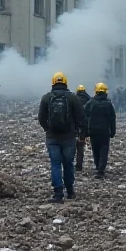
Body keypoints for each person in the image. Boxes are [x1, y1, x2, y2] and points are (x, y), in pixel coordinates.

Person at [37, 72, 84, 203]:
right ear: (65, 82)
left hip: (52, 137)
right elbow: (81, 117)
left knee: (55, 164)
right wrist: (80, 133)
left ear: (53, 82)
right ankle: (70, 191)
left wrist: (47, 129)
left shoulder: (46, 98)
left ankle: (58, 193)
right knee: (68, 164)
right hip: (69, 137)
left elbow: (41, 118)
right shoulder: (73, 98)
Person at [84, 83, 116, 179]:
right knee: (104, 150)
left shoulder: (90, 103)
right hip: (105, 131)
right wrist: (113, 131)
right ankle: (101, 170)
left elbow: (85, 117)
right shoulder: (109, 104)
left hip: (93, 131)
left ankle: (97, 165)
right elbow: (112, 118)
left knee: (95, 150)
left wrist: (85, 132)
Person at [75, 85, 91, 172]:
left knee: (71, 146)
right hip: (84, 127)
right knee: (80, 146)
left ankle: (70, 164)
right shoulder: (89, 100)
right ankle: (79, 165)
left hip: (74, 127)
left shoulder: (74, 100)